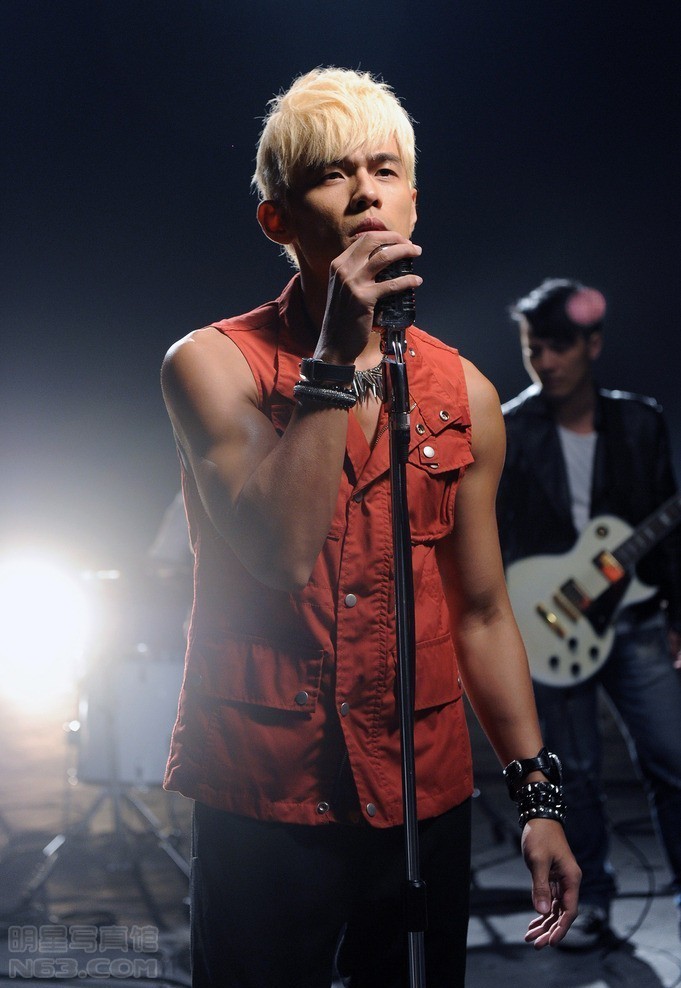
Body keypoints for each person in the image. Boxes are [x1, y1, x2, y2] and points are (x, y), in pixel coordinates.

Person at [160, 69, 580, 987]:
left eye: (384, 170)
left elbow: (480, 613)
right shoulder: (212, 365)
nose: (364, 194)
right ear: (277, 220)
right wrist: (335, 355)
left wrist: (536, 798)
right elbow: (279, 555)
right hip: (266, 791)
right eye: (330, 174)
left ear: (412, 201)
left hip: (420, 795)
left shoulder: (465, 393)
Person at [497, 278, 681, 949]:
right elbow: (494, 537)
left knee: (673, 760)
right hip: (551, 625)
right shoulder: (511, 428)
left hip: (633, 620)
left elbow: (665, 525)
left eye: (558, 347)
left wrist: (676, 611)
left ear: (592, 344)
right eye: (533, 349)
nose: (544, 362)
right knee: (571, 773)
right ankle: (590, 902)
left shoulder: (639, 422)